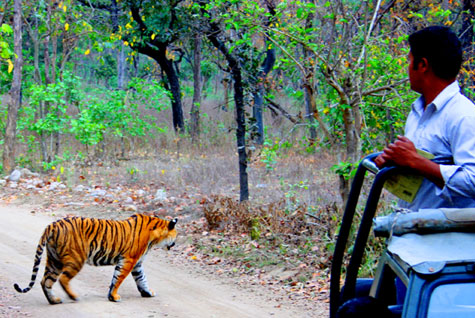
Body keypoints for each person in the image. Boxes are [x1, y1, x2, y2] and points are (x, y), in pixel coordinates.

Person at [375, 26, 475, 210]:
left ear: (422, 65)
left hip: (448, 235)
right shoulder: (417, 112)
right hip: (412, 228)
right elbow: (420, 176)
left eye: (409, 60)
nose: (407, 68)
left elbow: (473, 180)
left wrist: (416, 161)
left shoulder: (464, 116)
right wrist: (395, 163)